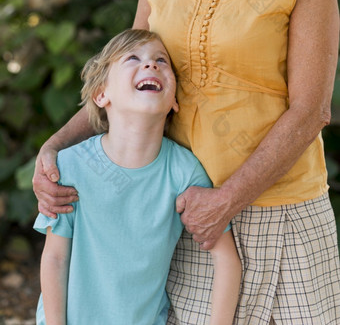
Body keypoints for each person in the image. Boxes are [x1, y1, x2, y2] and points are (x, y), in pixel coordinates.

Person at [33, 0, 340, 323]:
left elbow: (310, 111)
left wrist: (226, 200)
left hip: (282, 211)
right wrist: (53, 149)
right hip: (180, 214)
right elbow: (122, 76)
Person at [33, 28, 241, 325]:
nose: (151, 64)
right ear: (102, 94)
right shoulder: (71, 166)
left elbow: (226, 260)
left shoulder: (184, 171)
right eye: (133, 58)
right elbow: (55, 258)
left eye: (161, 60)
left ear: (174, 102)